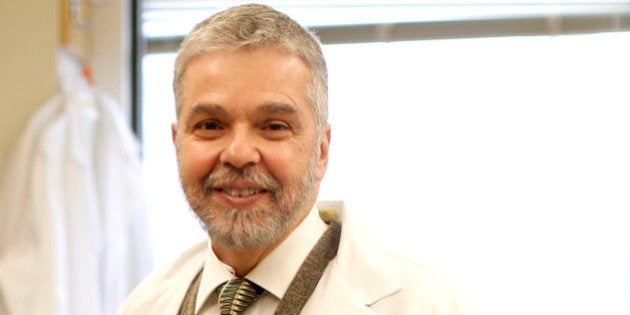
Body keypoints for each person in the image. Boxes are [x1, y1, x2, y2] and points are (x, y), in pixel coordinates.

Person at [118, 4, 474, 315]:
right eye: (211, 125)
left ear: (321, 151)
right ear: (177, 142)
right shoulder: (145, 305)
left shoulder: (426, 305)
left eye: (273, 126)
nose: (239, 153)